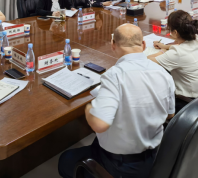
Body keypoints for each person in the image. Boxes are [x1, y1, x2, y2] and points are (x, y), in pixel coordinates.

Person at [58, 24, 175, 178]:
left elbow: (99, 124)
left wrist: (89, 109)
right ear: (143, 45)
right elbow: (170, 115)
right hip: (153, 156)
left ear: (113, 45)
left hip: (121, 165)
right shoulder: (164, 73)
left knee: (65, 160)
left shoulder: (115, 75)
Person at [148, 10, 198, 113]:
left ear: (175, 33)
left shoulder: (177, 53)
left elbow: (149, 61)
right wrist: (165, 46)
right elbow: (182, 46)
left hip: (190, 102)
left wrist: (162, 51)